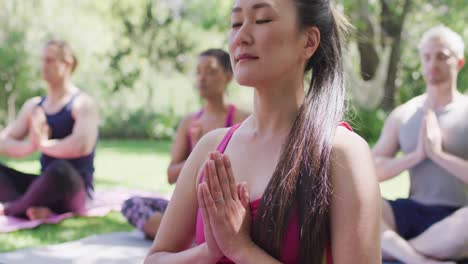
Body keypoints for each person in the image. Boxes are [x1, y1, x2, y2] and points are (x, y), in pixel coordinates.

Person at [144, 0, 381, 263]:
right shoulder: (210, 148)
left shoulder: (342, 153)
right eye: (235, 23)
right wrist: (209, 252)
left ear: (309, 41)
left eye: (262, 20)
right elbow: (156, 258)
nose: (241, 37)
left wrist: (241, 250)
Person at [121, 49, 249, 239]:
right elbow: (172, 175)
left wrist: (208, 152)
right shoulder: (190, 122)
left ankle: (182, 238)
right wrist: (196, 153)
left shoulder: (242, 119)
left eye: (210, 71)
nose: (202, 78)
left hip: (226, 209)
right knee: (132, 205)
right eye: (198, 72)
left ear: (228, 77)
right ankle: (186, 238)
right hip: (190, 209)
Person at [373, 25, 468, 264]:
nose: (432, 64)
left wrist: (438, 155)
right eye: (426, 57)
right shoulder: (403, 114)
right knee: (363, 203)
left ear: (459, 62)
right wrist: (414, 156)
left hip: (458, 216)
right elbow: (370, 170)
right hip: (411, 211)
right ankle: (420, 260)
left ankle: (398, 251)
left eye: (441, 56)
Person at [0, 40, 99, 220]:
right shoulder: (34, 106)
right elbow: (3, 142)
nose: (43, 66)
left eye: (50, 60)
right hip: (44, 187)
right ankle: (32, 207)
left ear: (68, 64)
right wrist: (31, 145)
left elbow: (82, 145)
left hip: (74, 190)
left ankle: (11, 209)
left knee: (60, 169)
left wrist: (44, 144)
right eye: (42, 60)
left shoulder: (82, 104)